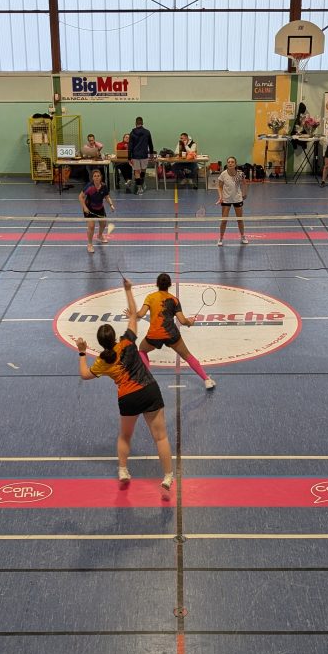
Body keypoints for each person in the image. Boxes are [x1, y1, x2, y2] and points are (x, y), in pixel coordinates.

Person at [75, 278, 174, 495]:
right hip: (149, 390)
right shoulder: (127, 341)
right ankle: (167, 476)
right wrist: (128, 289)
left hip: (128, 398)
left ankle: (122, 470)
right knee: (160, 437)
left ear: (101, 342)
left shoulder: (102, 361)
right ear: (114, 337)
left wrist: (82, 352)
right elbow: (133, 316)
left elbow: (84, 374)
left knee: (125, 436)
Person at [136, 272, 215, 390]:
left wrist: (132, 314)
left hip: (154, 334)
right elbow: (182, 321)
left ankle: (145, 381)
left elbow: (140, 314)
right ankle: (206, 380)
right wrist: (190, 322)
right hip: (171, 334)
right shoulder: (174, 300)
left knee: (142, 350)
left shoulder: (150, 297)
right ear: (169, 285)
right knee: (187, 355)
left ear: (157, 284)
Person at [79, 168, 115, 254]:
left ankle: (100, 235)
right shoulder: (89, 187)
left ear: (101, 177)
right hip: (89, 208)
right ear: (92, 178)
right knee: (91, 226)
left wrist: (111, 205)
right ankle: (90, 244)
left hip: (100, 208)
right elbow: (80, 197)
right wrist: (84, 207)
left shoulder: (104, 186)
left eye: (98, 176)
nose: (97, 177)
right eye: (95, 176)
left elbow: (107, 197)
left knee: (103, 224)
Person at [217, 156, 249, 245]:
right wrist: (220, 197)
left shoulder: (240, 174)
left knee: (240, 220)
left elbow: (244, 183)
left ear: (235, 164)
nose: (230, 163)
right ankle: (221, 238)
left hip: (237, 199)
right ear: (227, 164)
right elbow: (219, 186)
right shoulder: (223, 174)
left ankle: (243, 236)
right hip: (226, 199)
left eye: (232, 162)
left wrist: (244, 193)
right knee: (224, 221)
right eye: (229, 162)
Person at [128, 115, 154, 195]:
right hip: (144, 154)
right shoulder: (147, 132)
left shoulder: (132, 133)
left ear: (135, 123)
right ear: (142, 123)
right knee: (143, 170)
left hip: (135, 155)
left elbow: (130, 146)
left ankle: (139, 188)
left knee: (136, 172)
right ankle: (142, 183)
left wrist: (129, 157)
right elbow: (150, 144)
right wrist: (151, 154)